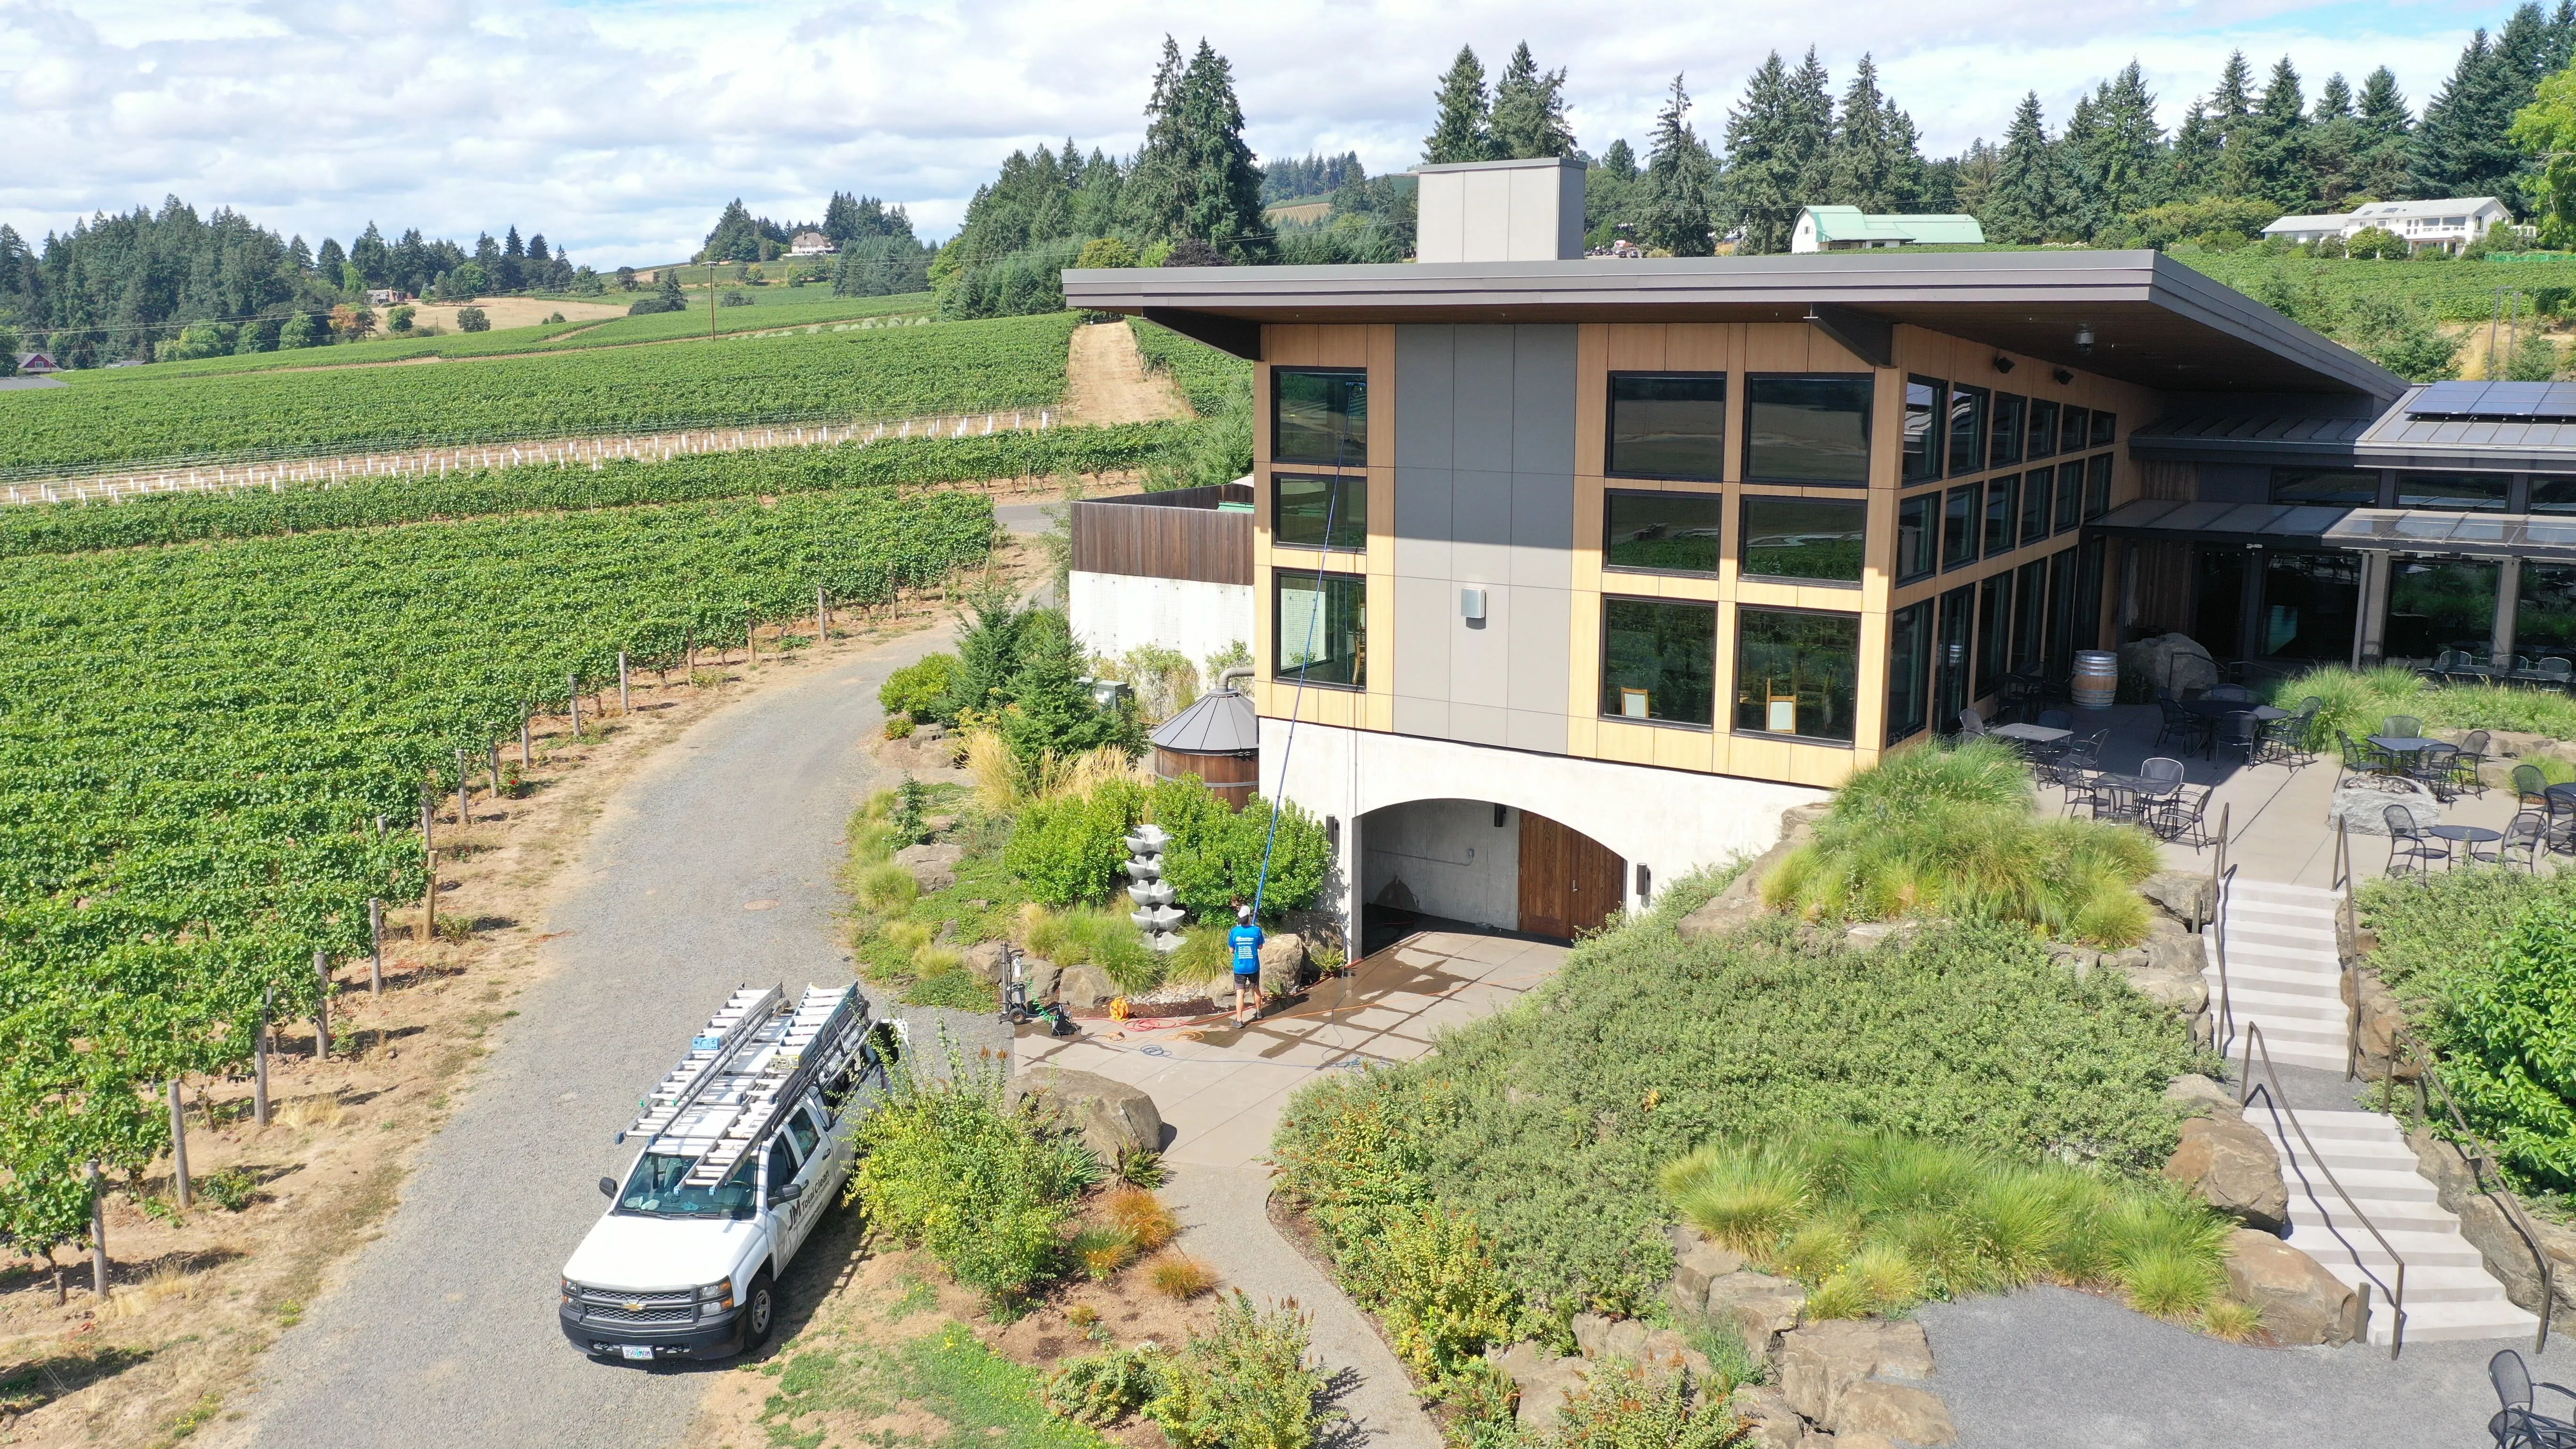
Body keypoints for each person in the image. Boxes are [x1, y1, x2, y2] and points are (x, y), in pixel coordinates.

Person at [1227, 898, 1266, 1026]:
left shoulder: (1234, 932)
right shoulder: (1256, 931)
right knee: (1256, 989)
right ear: (1249, 918)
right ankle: (1259, 1013)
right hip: (1254, 966)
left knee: (1240, 993)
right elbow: (1260, 947)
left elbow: (1231, 950)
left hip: (1240, 968)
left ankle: (1239, 1020)